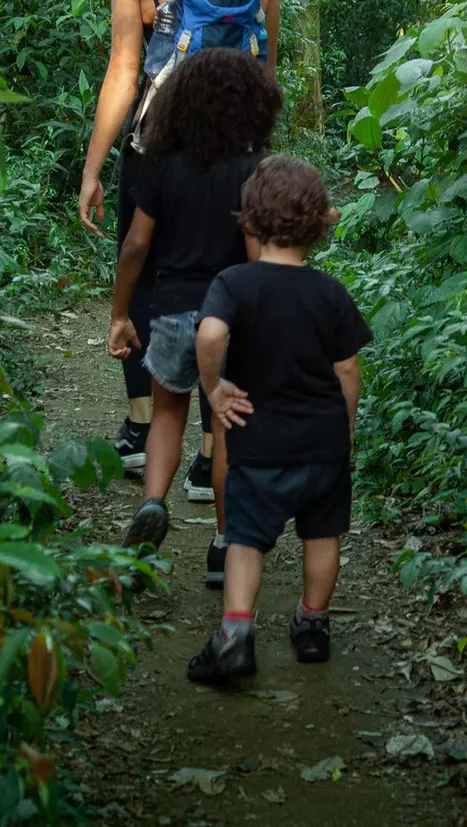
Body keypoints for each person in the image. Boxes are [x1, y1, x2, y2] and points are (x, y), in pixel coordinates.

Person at [77, 0, 281, 490]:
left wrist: (93, 167)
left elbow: (123, 74)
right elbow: (268, 74)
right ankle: (211, 448)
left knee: (145, 277)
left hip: (157, 153)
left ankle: (143, 424)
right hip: (240, 158)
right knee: (232, 279)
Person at [187, 157, 370, 684]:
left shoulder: (234, 283)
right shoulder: (329, 292)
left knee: (244, 539)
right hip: (321, 444)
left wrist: (214, 388)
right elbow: (348, 367)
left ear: (250, 219)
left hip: (257, 442)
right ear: (318, 224)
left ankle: (236, 635)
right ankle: (312, 624)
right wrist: (346, 427)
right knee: (323, 533)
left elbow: (210, 335)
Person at [110, 49, 282, 590]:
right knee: (226, 426)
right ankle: (223, 544)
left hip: (170, 313)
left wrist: (120, 312)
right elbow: (258, 255)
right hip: (229, 318)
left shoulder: (163, 164)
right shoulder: (251, 169)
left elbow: (137, 244)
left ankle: (154, 504)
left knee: (166, 415)